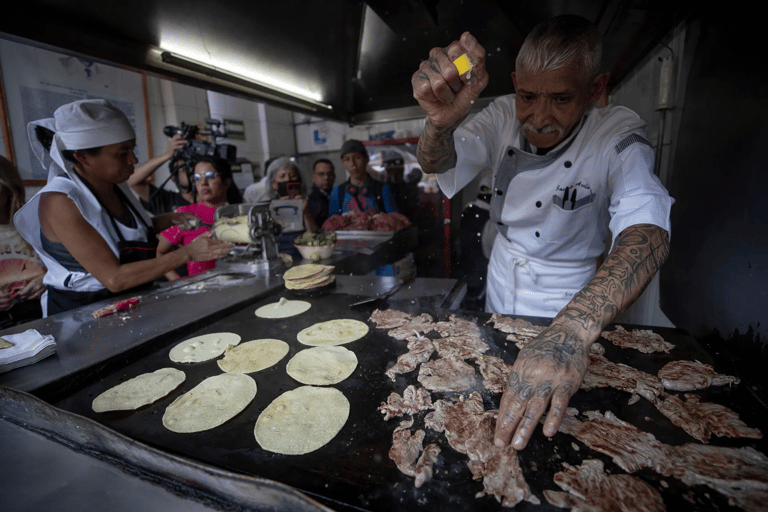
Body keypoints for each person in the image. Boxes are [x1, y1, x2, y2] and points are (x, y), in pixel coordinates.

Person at [411, 15, 673, 450]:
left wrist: (570, 330)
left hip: (568, 295)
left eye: (561, 99)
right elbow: (437, 163)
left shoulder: (617, 133)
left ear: (595, 89)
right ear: (515, 82)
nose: (539, 117)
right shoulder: (499, 117)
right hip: (503, 274)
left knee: (555, 428)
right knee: (494, 391)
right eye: (527, 96)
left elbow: (647, 229)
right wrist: (438, 124)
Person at [14, 99, 233, 316]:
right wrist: (188, 253)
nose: (133, 159)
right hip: (84, 314)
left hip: (133, 301)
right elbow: (115, 278)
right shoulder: (60, 200)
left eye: (132, 149)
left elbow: (115, 236)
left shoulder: (114, 186)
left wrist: (167, 220)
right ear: (83, 157)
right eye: (122, 153)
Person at [157, 155, 233, 280]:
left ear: (227, 181)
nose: (203, 183)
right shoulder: (186, 215)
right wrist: (179, 282)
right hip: (202, 290)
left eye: (210, 176)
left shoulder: (240, 213)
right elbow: (159, 252)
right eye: (197, 178)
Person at [0, 156, 45, 327]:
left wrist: (46, 280)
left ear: (9, 187)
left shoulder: (37, 223)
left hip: (42, 311)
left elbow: (69, 269)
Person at [329, 140, 398, 215]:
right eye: (347, 159)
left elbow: (395, 220)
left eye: (357, 157)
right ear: (343, 163)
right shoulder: (337, 192)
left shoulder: (383, 189)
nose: (353, 164)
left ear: (366, 159)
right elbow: (332, 223)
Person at [126, 133, 189, 215]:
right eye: (183, 168)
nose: (189, 172)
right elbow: (131, 180)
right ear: (173, 178)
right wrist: (167, 155)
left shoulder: (207, 197)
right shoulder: (165, 201)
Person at [306, 158, 335, 230]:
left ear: (334, 176)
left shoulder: (339, 194)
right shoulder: (309, 201)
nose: (326, 178)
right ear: (313, 177)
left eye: (330, 174)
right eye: (321, 174)